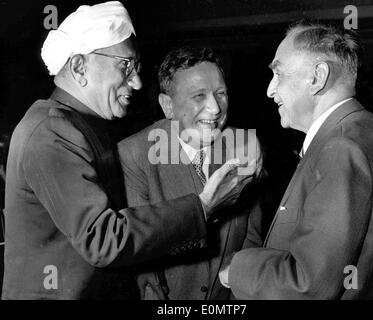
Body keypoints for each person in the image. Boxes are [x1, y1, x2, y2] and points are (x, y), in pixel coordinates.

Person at [2, 1, 248, 300]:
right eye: (125, 66)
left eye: (137, 68)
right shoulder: (51, 132)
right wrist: (203, 206)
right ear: (80, 68)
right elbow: (103, 240)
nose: (136, 81)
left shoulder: (76, 126)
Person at [219, 22, 373, 299]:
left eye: (278, 74)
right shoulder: (364, 128)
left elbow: (308, 284)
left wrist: (237, 269)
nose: (270, 90)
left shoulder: (341, 147)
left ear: (317, 77)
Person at [118, 46, 263, 300]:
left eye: (221, 94)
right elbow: (142, 261)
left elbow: (251, 240)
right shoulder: (134, 154)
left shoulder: (243, 146)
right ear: (168, 106)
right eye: (199, 96)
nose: (216, 108)